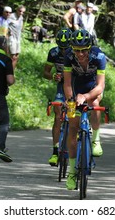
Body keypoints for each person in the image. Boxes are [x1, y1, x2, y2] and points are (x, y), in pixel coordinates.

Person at [63, 29, 106, 190]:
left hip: (92, 88)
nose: (80, 54)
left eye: (83, 50)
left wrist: (86, 96)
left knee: (95, 104)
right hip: (76, 87)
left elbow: (101, 86)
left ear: (90, 47)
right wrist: (70, 99)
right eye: (76, 50)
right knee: (72, 129)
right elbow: (67, 83)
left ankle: (95, 139)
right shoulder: (68, 56)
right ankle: (72, 171)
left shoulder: (99, 56)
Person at [43, 28, 71, 166]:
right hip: (61, 86)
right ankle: (55, 152)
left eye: (66, 48)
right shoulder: (53, 52)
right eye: (61, 47)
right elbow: (45, 72)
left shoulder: (76, 53)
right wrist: (53, 76)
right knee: (57, 112)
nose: (64, 51)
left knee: (74, 113)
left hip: (74, 85)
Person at [8, 5, 26, 70]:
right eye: (20, 11)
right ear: (17, 10)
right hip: (12, 38)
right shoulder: (11, 16)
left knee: (17, 55)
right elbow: (5, 24)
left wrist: (22, 29)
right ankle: (8, 71)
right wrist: (8, 31)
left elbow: (21, 26)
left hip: (18, 39)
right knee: (12, 56)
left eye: (23, 12)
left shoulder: (21, 17)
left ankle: (12, 70)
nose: (21, 13)